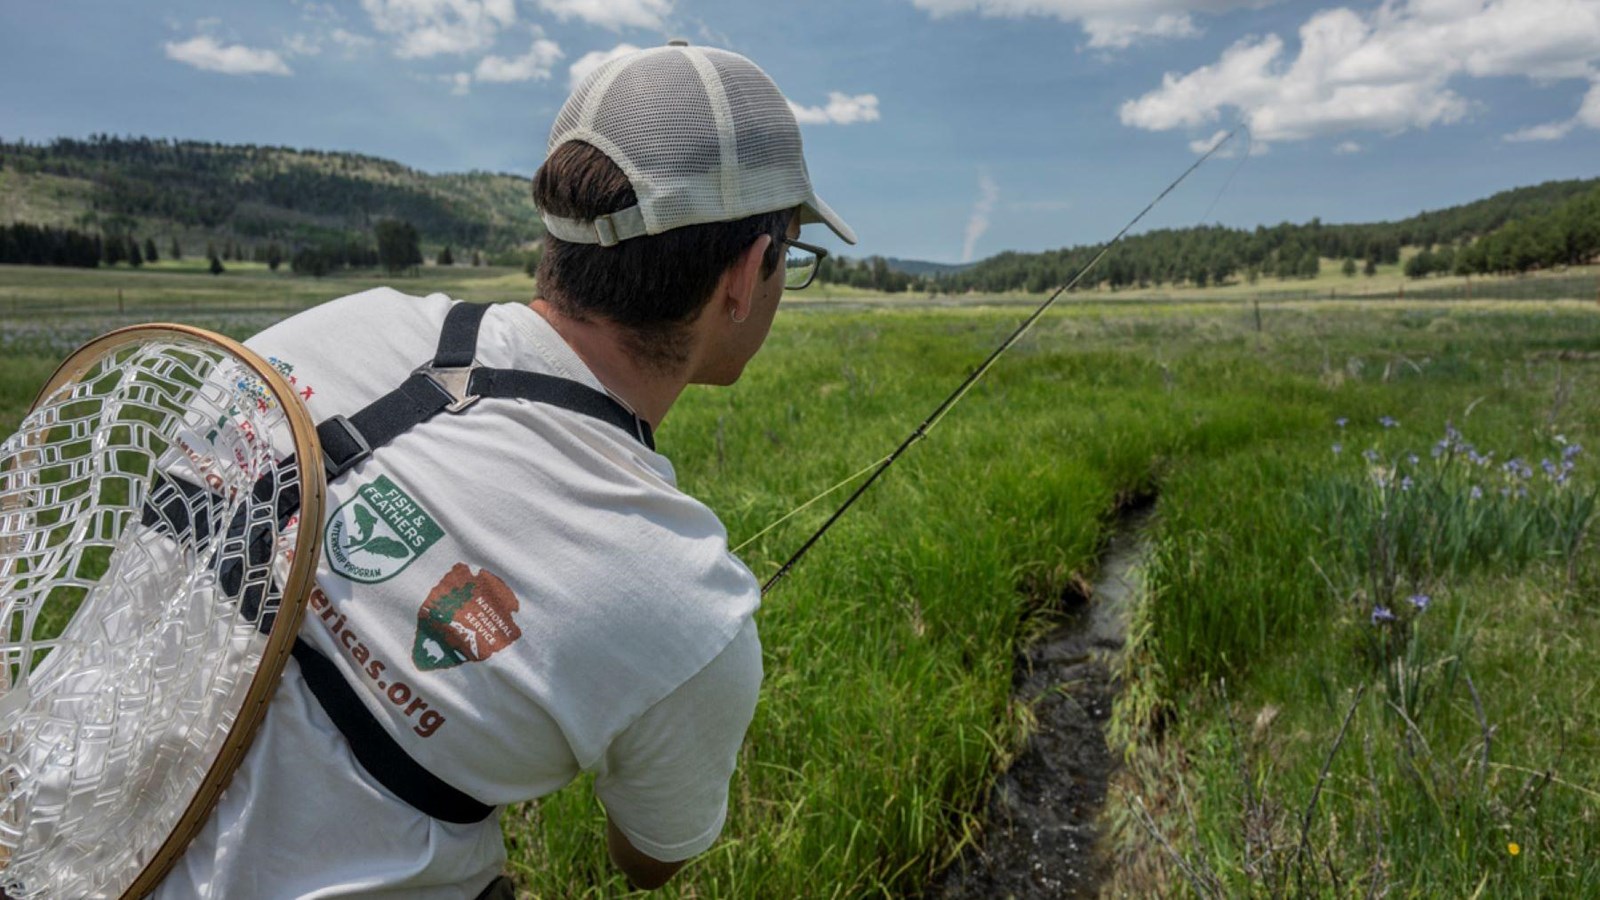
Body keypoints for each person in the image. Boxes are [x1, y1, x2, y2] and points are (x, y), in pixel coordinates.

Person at [154, 41, 855, 897]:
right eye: (791, 250)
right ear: (747, 275)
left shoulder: (343, 324)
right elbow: (648, 858)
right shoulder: (689, 605)